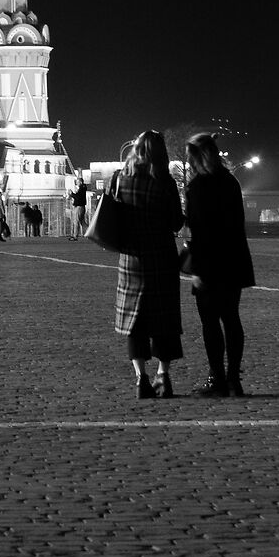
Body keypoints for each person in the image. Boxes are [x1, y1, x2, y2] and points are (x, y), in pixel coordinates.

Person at [110, 130, 186, 398]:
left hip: (131, 258)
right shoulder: (164, 181)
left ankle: (141, 378)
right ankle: (163, 376)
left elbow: (113, 212)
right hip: (161, 256)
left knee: (136, 321)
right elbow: (176, 221)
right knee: (164, 319)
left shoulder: (121, 177)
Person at [182, 132, 256, 397]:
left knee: (210, 323)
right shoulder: (231, 182)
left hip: (210, 263)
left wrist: (198, 269)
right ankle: (234, 378)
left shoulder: (197, 187)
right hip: (234, 258)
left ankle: (217, 379)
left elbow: (200, 231)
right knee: (232, 319)